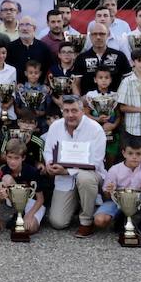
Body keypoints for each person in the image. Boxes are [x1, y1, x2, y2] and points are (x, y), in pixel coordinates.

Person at [43, 95, 106, 236]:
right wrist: (49, 164)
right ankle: (78, 203)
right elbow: (48, 151)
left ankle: (86, 222)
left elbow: (95, 162)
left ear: (82, 111)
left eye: (74, 110)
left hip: (90, 175)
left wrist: (66, 171)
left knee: (84, 178)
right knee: (58, 223)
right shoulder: (55, 126)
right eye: (66, 111)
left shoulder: (95, 129)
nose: (70, 115)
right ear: (62, 111)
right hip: (64, 180)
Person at [96, 139, 141, 242]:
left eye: (138, 154)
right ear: (124, 153)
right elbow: (106, 196)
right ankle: (120, 220)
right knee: (100, 221)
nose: (134, 157)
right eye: (130, 153)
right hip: (116, 201)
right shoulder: (114, 169)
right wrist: (109, 190)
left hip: (137, 200)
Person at [0, 138, 48, 237]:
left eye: (16, 158)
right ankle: (19, 213)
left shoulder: (32, 171)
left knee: (29, 228)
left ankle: (24, 216)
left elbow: (40, 199)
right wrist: (0, 195)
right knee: (7, 178)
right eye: (9, 157)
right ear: (5, 156)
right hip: (16, 201)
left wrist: (30, 214)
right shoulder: (4, 170)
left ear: (23, 158)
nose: (12, 161)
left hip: (33, 203)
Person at [76, 21, 130, 93]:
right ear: (90, 36)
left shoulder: (120, 56)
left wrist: (122, 99)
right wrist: (79, 100)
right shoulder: (81, 58)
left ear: (108, 35)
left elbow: (128, 81)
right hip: (87, 102)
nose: (98, 37)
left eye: (102, 34)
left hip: (115, 101)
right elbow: (76, 84)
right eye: (94, 34)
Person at [5, 16, 54, 80]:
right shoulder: (10, 47)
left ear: (34, 28)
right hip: (16, 87)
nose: (24, 28)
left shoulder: (44, 48)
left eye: (28, 25)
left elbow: (49, 69)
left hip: (39, 88)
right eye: (21, 25)